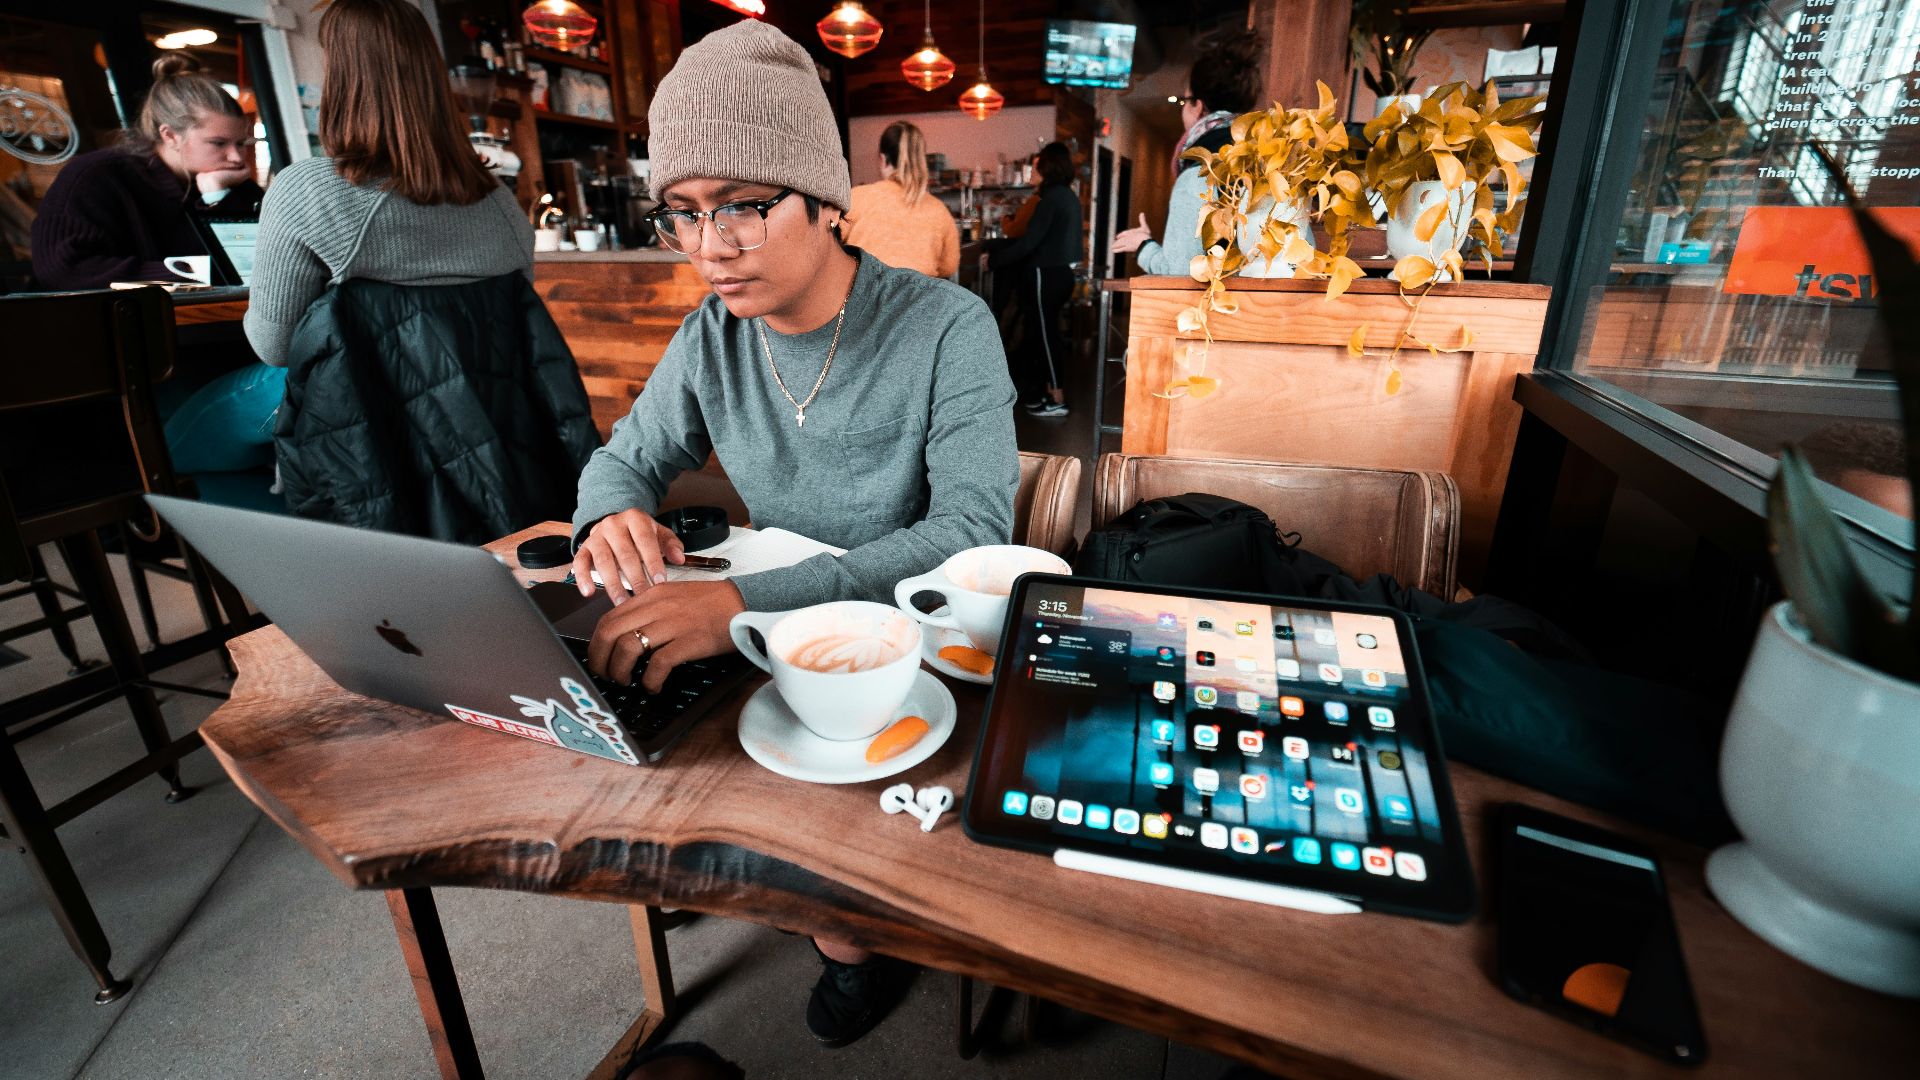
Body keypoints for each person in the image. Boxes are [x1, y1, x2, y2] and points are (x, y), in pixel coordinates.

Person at [565, 20, 1017, 1049]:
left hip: (906, 642)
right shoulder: (709, 336)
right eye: (681, 214)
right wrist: (613, 512)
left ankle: (851, 932)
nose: (710, 248)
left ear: (824, 199)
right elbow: (621, 458)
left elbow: (971, 530)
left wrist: (740, 606)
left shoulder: (947, 327)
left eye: (743, 209)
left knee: (802, 862)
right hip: (760, 633)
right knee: (628, 723)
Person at [243, 0, 531, 367]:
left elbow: (274, 348)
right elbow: (517, 328)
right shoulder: (500, 202)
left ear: (340, 77)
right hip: (487, 416)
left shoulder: (307, 191)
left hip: (367, 417)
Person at [31, 54, 262, 290]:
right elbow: (64, 270)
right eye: (219, 143)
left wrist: (217, 197)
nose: (235, 157)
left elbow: (261, 268)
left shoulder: (236, 185)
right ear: (170, 135)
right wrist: (194, 273)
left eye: (242, 143)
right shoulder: (97, 176)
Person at [1112, 30, 1263, 277]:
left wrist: (1143, 246)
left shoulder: (1199, 175)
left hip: (1217, 312)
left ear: (1198, 107)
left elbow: (1180, 272)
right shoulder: (1268, 162)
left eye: (1185, 101)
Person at [985, 142, 1080, 417]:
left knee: (1047, 336)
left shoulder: (1050, 199)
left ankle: (1058, 397)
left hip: (1045, 274)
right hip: (1062, 274)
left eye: (1037, 165)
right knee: (1046, 334)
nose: (1033, 170)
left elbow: (1029, 243)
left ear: (1047, 166)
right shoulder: (1067, 196)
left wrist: (994, 260)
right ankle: (1048, 393)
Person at [843, 121, 959, 278]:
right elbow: (949, 266)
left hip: (865, 298)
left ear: (883, 159)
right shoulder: (939, 210)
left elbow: (830, 250)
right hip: (919, 299)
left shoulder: (856, 198)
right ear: (920, 160)